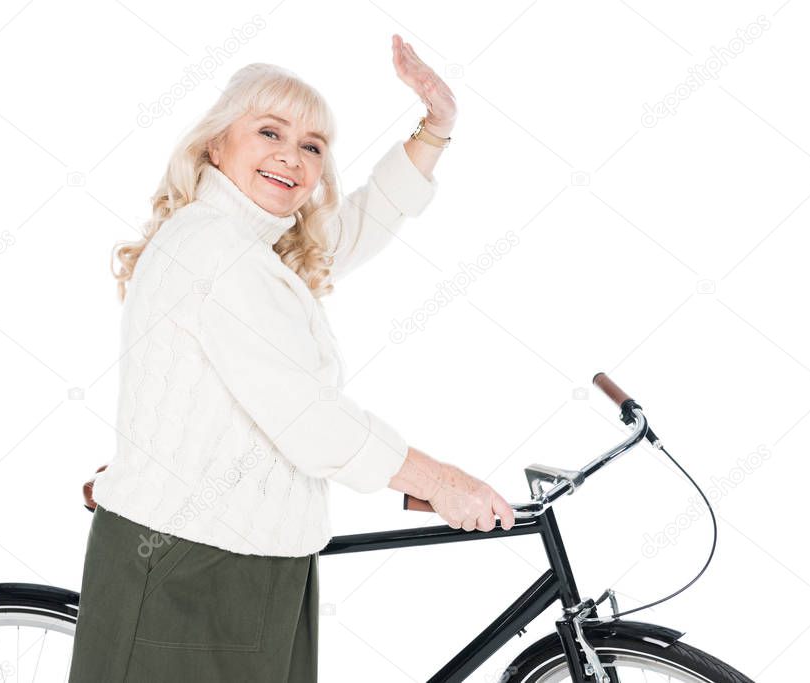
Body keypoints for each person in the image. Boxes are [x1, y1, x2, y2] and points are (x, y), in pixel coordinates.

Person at [68, 34, 515, 682]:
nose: (292, 156)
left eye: (311, 145)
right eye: (269, 132)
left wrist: (434, 128)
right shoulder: (216, 254)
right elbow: (308, 417)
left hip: (253, 558)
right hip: (193, 567)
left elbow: (352, 228)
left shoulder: (251, 243)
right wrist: (440, 480)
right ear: (217, 143)